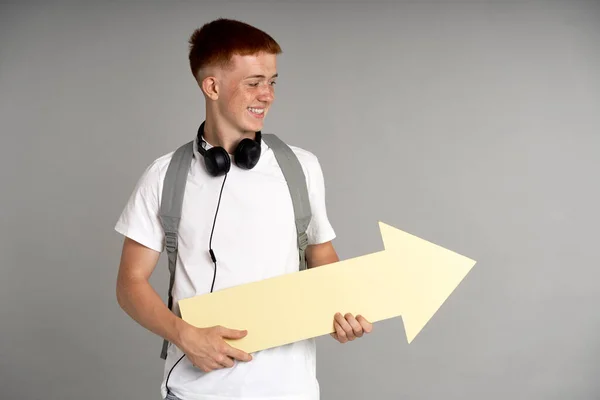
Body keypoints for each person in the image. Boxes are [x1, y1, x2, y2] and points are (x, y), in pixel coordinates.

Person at [114, 18, 373, 400]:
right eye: (254, 83)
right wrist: (185, 335)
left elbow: (321, 253)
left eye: (272, 82)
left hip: (291, 390)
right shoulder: (164, 176)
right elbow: (129, 284)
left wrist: (341, 309)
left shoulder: (301, 167)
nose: (267, 95)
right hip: (193, 392)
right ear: (212, 86)